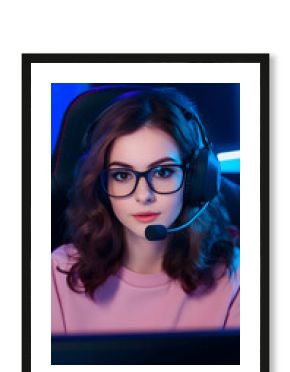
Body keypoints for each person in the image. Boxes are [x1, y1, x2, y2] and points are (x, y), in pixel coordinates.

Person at [51, 86, 240, 335]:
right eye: (122, 175)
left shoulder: (235, 279)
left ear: (197, 180)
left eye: (162, 172)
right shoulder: (56, 275)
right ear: (100, 185)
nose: (144, 196)